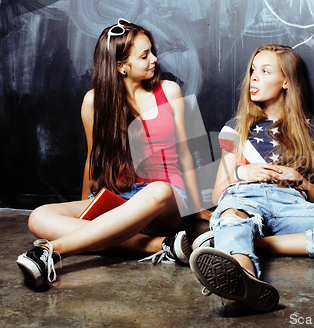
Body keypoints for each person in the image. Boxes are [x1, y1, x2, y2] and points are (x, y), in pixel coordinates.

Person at [189, 44, 314, 312]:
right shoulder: (235, 127)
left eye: (265, 71)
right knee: (230, 217)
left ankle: (248, 243)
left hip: (293, 207)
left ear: (286, 80)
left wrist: (298, 179)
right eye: (252, 70)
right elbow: (217, 196)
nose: (254, 77)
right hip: (244, 201)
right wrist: (241, 173)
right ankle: (244, 279)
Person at [16, 19, 210, 290]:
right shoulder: (93, 102)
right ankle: (161, 247)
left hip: (166, 200)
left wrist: (198, 205)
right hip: (118, 196)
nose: (154, 59)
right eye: (145, 55)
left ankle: (49, 251)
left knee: (157, 191)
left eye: (152, 51)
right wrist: (87, 206)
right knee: (38, 216)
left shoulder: (170, 91)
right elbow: (92, 158)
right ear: (121, 66)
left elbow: (186, 153)